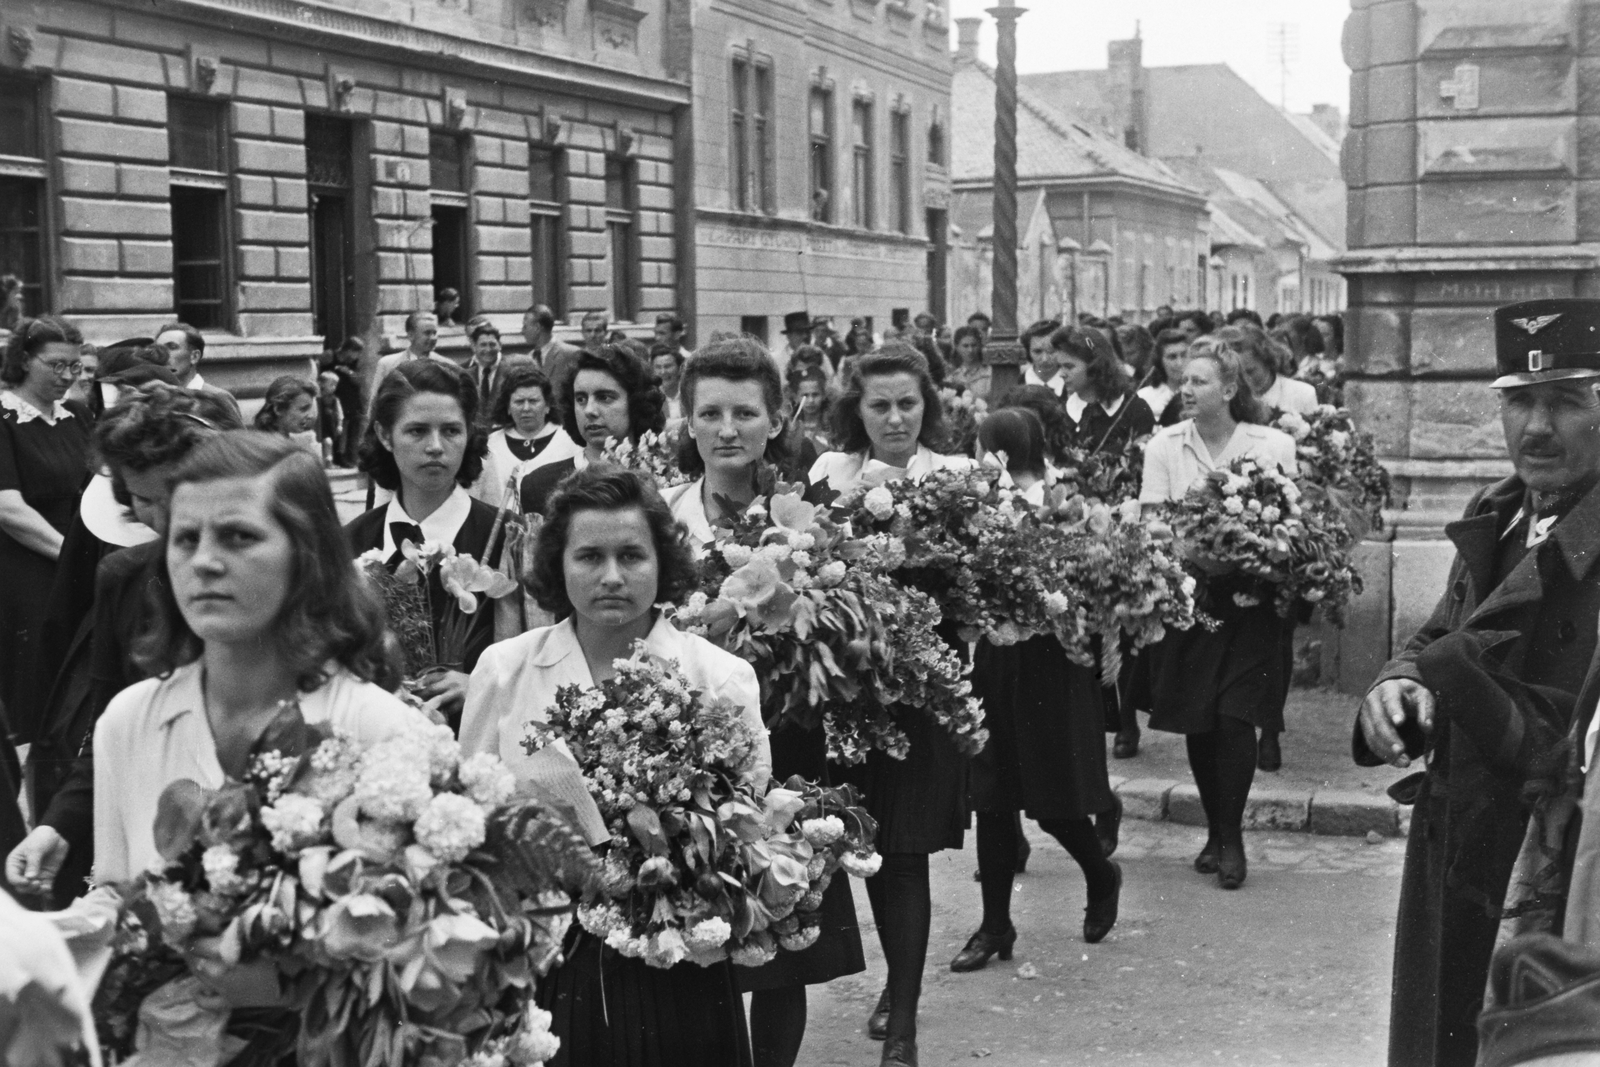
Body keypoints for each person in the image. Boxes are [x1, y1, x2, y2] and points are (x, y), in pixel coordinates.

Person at [1352, 299, 1600, 1067]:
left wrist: (1456, 675)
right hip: (1453, 844)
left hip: (1542, 867)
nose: (1537, 427)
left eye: (1566, 401)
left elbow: (1568, 751)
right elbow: (1439, 631)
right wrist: (1397, 684)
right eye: (1519, 401)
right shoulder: (1499, 511)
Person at [460, 467, 769, 1067]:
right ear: (558, 564)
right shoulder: (504, 669)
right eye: (588, 557)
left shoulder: (719, 676)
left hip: (678, 964)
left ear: (662, 562)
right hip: (545, 964)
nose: (611, 577)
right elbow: (474, 824)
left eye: (631, 555)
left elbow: (745, 831)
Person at [93, 430, 418, 886]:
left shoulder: (383, 731)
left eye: (238, 536)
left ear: (307, 554)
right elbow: (114, 898)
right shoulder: (129, 721)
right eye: (185, 538)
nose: (203, 561)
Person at [657, 336, 858, 1067]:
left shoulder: (807, 516)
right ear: (687, 421)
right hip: (685, 748)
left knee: (784, 942)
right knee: (695, 932)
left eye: (745, 413)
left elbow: (842, 627)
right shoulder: (662, 516)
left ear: (776, 420)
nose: (726, 429)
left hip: (787, 741)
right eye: (709, 413)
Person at [8, 385, 239, 905]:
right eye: (143, 500)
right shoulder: (122, 577)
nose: (161, 517)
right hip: (153, 815)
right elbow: (107, 725)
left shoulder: (266, 570)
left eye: (172, 496)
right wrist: (58, 824)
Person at [809, 342, 973, 1067]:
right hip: (846, 692)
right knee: (865, 848)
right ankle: (894, 984)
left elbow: (977, 591)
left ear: (927, 406)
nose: (896, 417)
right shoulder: (829, 474)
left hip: (922, 697)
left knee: (903, 856)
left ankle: (902, 1021)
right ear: (858, 410)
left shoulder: (956, 477)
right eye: (880, 405)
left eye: (909, 403)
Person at [953, 407, 1122, 975]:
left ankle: (1101, 875)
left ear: (996, 450)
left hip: (1053, 664)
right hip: (997, 661)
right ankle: (994, 925)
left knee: (1054, 801)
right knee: (993, 798)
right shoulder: (977, 503)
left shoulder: (1064, 503)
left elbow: (1092, 581)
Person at [1138, 341, 1296, 891]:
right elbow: (1151, 521)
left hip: (1252, 601)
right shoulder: (1164, 446)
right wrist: (1194, 549)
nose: (1185, 389)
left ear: (1229, 389)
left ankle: (1231, 838)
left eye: (1198, 381)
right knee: (1200, 721)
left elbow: (1290, 519)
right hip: (1191, 599)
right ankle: (1215, 828)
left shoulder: (1272, 444)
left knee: (1236, 716)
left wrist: (1249, 551)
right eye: (1183, 380)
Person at [347, 360, 500, 725]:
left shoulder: (507, 536)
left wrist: (483, 683)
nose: (435, 447)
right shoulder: (351, 542)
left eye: (451, 431)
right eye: (417, 431)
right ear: (385, 436)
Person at [0, 318, 93, 739]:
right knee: (36, 683)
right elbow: (8, 509)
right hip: (24, 564)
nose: (67, 376)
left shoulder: (77, 415)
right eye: (56, 365)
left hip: (76, 554)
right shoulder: (4, 419)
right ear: (24, 360)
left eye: (75, 366)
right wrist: (73, 555)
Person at [519, 344, 667, 517]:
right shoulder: (540, 485)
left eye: (604, 397)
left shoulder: (665, 476)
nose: (589, 410)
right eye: (581, 399)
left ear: (636, 403)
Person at [471, 363, 579, 507]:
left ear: (547, 405)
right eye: (519, 402)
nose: (526, 408)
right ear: (508, 407)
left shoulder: (570, 442)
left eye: (533, 401)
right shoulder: (491, 445)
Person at [1052, 324, 1155, 454]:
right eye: (1059, 366)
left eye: (1069, 367)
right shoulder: (1061, 412)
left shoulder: (1134, 410)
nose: (1061, 374)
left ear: (1095, 365)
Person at [373, 310, 453, 392]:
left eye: (434, 333)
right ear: (411, 335)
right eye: (427, 333)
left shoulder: (447, 366)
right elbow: (376, 398)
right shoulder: (388, 364)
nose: (433, 338)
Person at [252, 375, 320, 455]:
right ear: (278, 409)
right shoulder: (267, 447)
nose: (310, 416)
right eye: (303, 409)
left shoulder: (288, 442)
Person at [1139, 328, 1191, 428]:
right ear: (1160, 361)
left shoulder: (1202, 393)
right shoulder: (1144, 397)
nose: (1179, 363)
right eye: (1172, 357)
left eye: (1184, 355)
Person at [786, 363, 833, 455]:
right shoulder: (790, 426)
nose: (811, 400)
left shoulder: (831, 425)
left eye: (815, 394)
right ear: (796, 397)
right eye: (805, 395)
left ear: (824, 395)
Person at [467, 320, 508, 415]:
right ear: (474, 347)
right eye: (483, 345)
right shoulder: (467, 374)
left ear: (500, 345)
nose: (488, 349)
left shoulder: (511, 371)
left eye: (492, 344)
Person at [1020, 319, 1067, 399]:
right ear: (1028, 352)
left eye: (1051, 351)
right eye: (1037, 351)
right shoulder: (1017, 384)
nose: (1045, 359)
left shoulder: (1075, 386)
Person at [948, 324, 990, 402]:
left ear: (980, 346)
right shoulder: (953, 377)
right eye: (965, 346)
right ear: (957, 347)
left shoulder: (989, 373)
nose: (970, 350)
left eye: (974, 345)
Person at [650, 343, 686, 424]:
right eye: (658, 367)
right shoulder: (651, 398)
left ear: (680, 369)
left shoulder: (690, 394)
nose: (663, 372)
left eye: (668, 366)